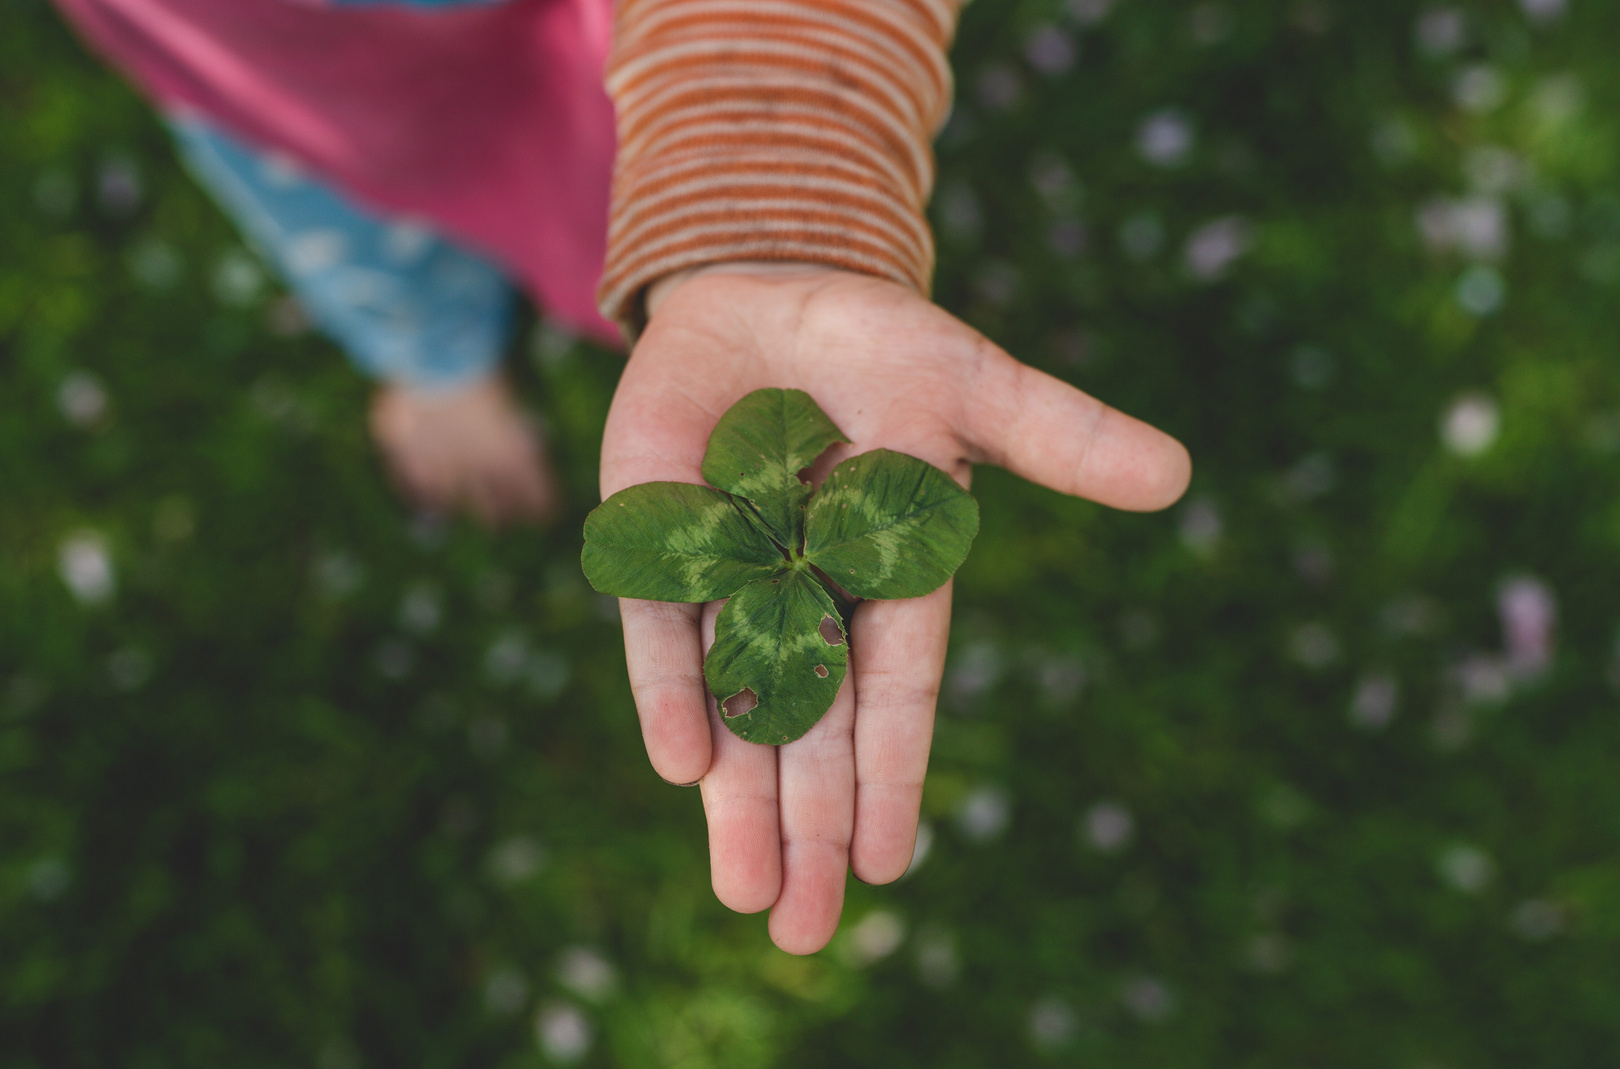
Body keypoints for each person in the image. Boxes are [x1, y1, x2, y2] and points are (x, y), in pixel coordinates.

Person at [55, 0, 1192, 954]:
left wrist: (765, 193)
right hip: (249, 47)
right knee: (332, 164)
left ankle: (528, 304)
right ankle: (431, 349)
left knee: (595, 149)